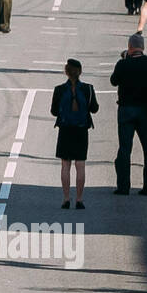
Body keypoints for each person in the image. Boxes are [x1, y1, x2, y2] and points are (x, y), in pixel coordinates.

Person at [111, 33, 147, 196]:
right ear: (143, 47)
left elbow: (114, 80)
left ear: (129, 47)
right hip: (145, 109)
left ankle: (123, 186)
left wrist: (125, 59)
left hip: (126, 109)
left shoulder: (123, 64)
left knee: (125, 148)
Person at [50, 59, 98, 209]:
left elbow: (54, 111)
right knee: (80, 165)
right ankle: (79, 199)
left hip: (65, 129)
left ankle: (65, 198)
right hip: (81, 130)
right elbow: (94, 108)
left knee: (65, 165)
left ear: (66, 71)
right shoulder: (88, 89)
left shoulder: (59, 90)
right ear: (80, 72)